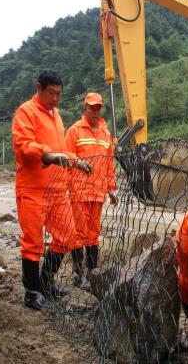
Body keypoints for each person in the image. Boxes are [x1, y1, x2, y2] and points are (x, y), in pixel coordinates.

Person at [12, 70, 91, 310]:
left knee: (67, 236)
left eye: (59, 94)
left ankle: (46, 282)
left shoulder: (56, 115)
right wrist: (48, 155)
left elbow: (61, 149)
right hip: (33, 188)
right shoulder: (25, 112)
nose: (56, 99)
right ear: (38, 87)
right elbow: (24, 146)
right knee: (33, 242)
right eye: (51, 93)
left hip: (57, 190)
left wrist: (76, 161)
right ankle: (32, 292)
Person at [65, 92, 117, 290]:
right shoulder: (74, 131)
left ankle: (93, 273)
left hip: (98, 193)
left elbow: (109, 164)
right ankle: (78, 275)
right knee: (78, 234)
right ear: (84, 108)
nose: (95, 111)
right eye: (91, 107)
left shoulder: (106, 135)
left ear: (101, 109)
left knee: (94, 234)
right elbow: (66, 157)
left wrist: (112, 189)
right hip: (78, 192)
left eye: (98, 108)